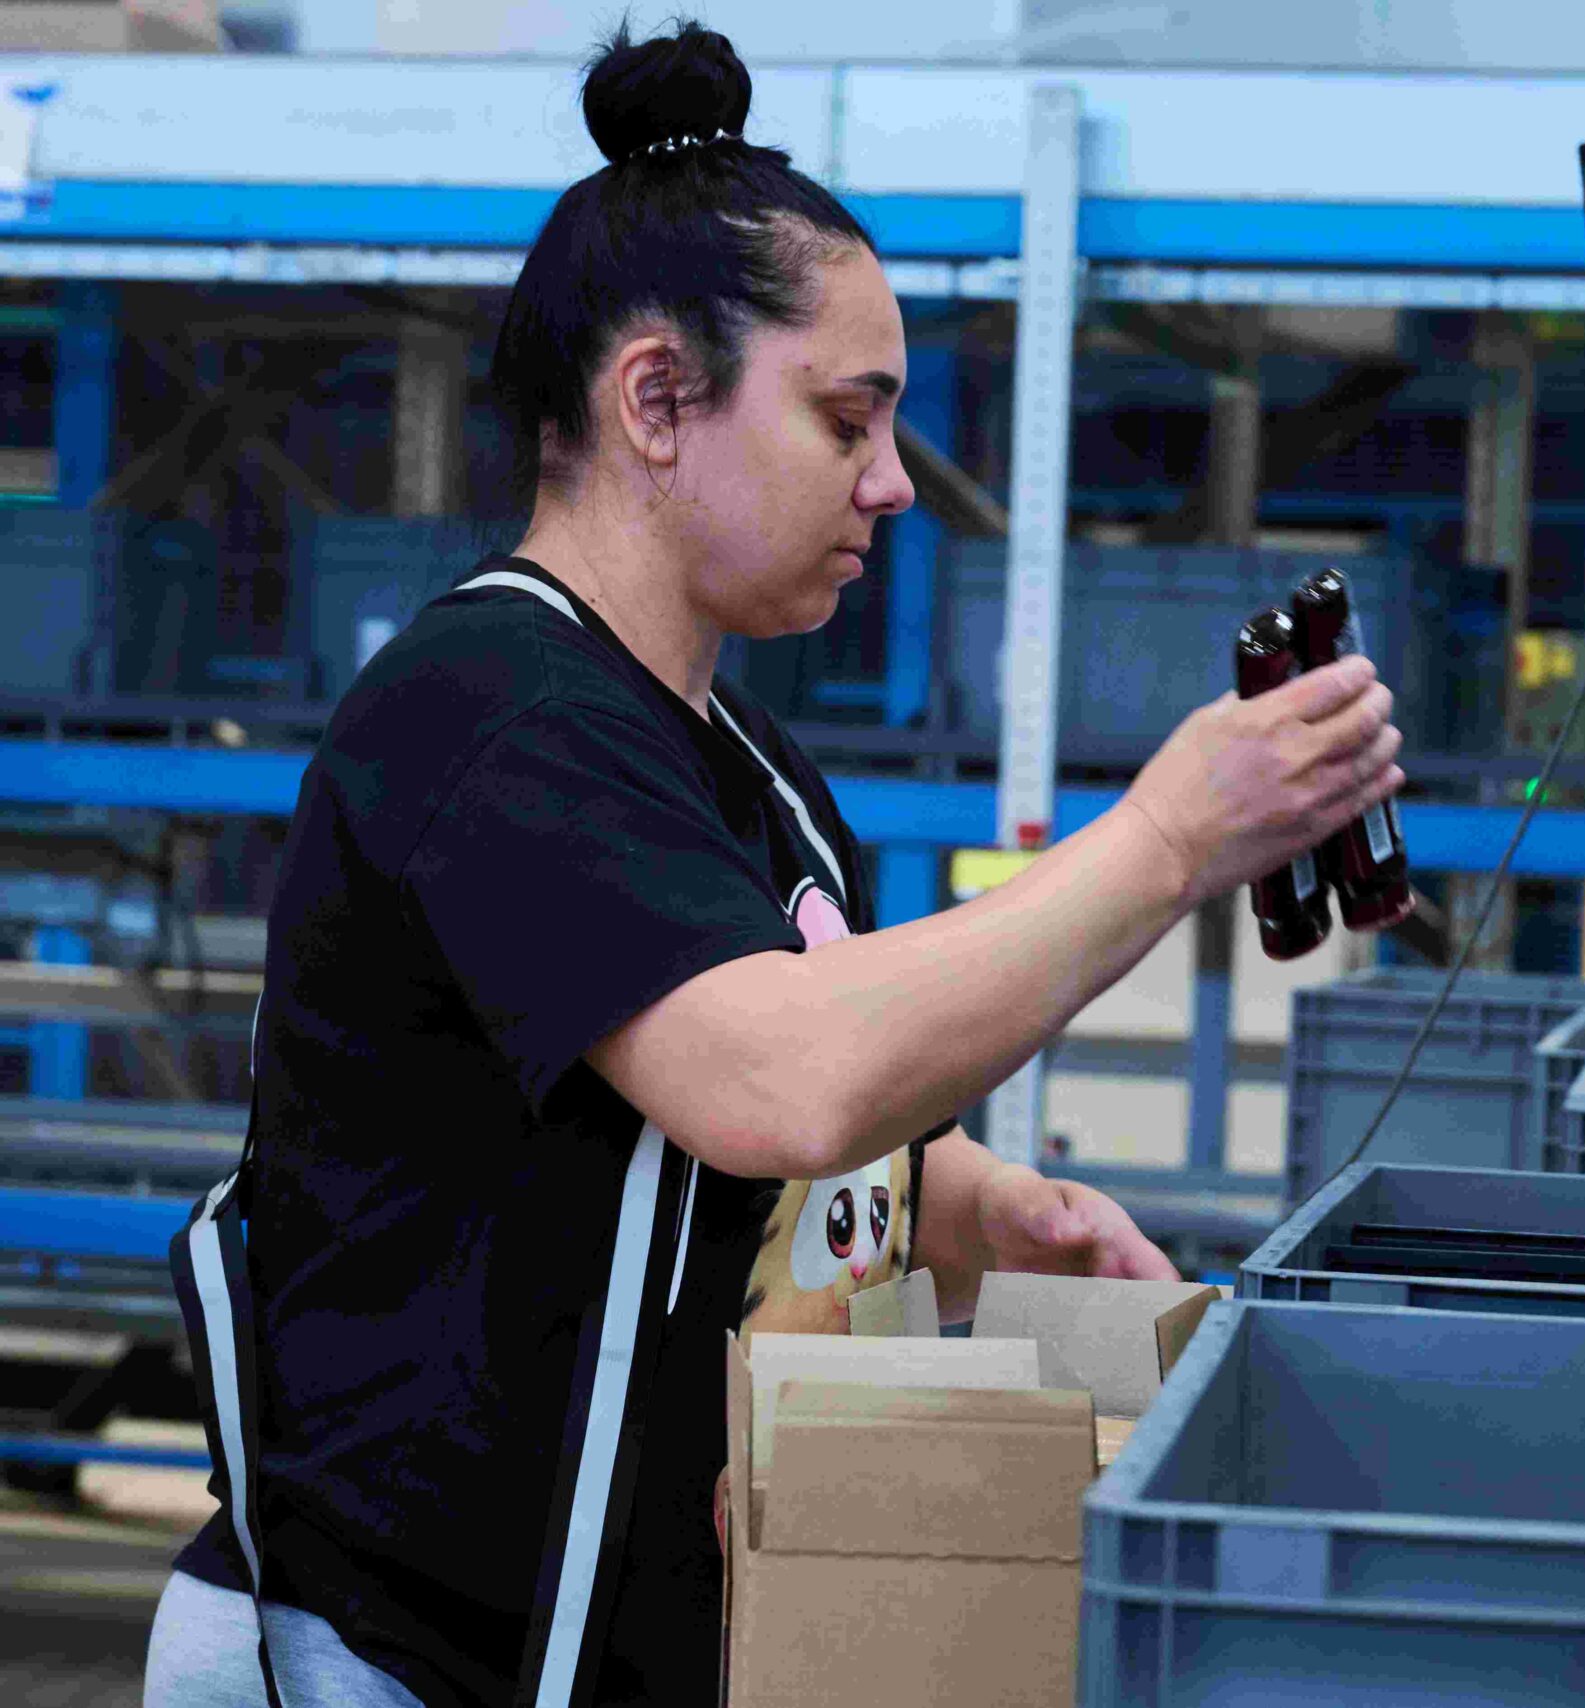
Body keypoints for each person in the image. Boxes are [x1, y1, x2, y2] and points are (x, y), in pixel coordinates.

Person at [141, 21, 1403, 1708]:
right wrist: (1174, 837)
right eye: (845, 421)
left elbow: (783, 1161)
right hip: (378, 1661)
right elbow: (776, 1083)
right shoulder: (488, 712)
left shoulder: (752, 775)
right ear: (657, 399)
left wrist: (978, 1207)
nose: (890, 485)